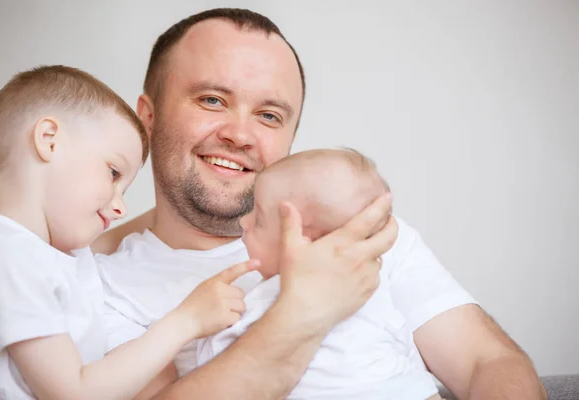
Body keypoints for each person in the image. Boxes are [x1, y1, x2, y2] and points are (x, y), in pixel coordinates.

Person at [93, 8, 547, 400]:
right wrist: (306, 311)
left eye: (269, 115)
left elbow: (486, 362)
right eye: (213, 100)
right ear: (147, 119)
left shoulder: (358, 231)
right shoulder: (95, 278)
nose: (240, 134)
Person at [0, 65, 259, 400]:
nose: (121, 208)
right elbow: (74, 393)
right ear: (49, 141)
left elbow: (126, 367)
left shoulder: (54, 256)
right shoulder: (6, 255)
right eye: (113, 173)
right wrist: (187, 320)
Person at [196, 147, 444, 400]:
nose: (243, 222)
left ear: (305, 243)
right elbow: (407, 360)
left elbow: (215, 362)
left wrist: (201, 330)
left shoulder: (269, 300)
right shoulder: (375, 292)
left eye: (258, 219)